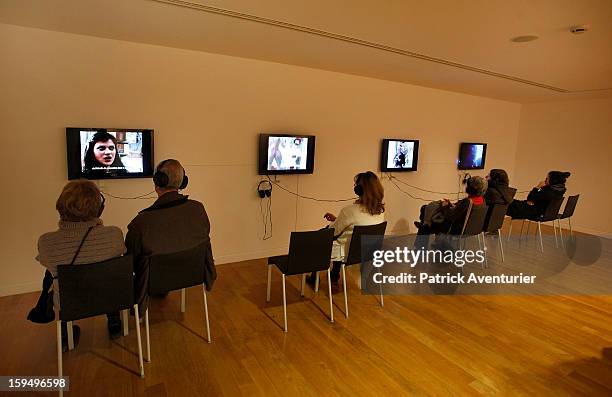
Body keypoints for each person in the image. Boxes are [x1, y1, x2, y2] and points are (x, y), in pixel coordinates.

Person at [36, 180, 126, 348]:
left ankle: (65, 332)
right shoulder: (114, 234)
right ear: (100, 208)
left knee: (51, 275)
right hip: (111, 296)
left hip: (70, 301)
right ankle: (114, 319)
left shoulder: (47, 242)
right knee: (107, 273)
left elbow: (45, 262)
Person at [126, 159, 216, 314]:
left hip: (155, 281)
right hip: (192, 274)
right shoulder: (198, 209)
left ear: (157, 182)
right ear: (182, 182)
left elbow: (130, 258)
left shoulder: (142, 221)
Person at [307, 171, 385, 290]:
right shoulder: (380, 212)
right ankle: (334, 276)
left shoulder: (349, 211)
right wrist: (338, 219)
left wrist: (331, 224)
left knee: (323, 236)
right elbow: (355, 225)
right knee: (342, 239)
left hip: (347, 253)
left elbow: (333, 232)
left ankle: (315, 278)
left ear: (359, 190)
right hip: (367, 253)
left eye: (356, 185)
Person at [414, 176, 488, 238]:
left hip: (454, 229)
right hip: (472, 229)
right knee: (427, 215)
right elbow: (460, 211)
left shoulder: (468, 202)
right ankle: (424, 227)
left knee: (425, 210)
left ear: (471, 188)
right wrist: (452, 205)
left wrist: (444, 206)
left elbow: (450, 216)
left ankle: (423, 231)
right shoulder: (482, 200)